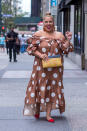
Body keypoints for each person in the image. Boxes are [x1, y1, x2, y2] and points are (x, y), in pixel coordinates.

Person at [23, 12, 74, 122]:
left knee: (52, 89)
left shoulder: (59, 35)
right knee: (39, 87)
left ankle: (48, 114)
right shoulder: (38, 34)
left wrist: (68, 39)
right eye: (46, 22)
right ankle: (37, 110)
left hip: (55, 68)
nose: (48, 23)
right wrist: (41, 55)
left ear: (53, 23)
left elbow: (65, 49)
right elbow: (31, 49)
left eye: (50, 21)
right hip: (40, 67)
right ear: (43, 23)